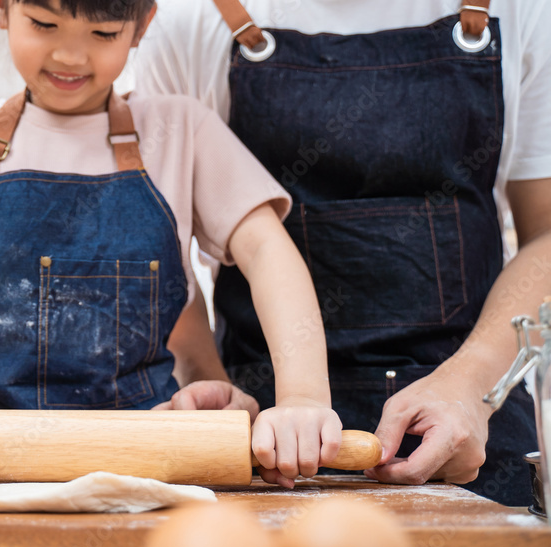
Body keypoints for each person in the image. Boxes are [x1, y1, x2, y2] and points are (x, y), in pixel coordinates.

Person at [0, 0, 344, 488]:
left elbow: (267, 251)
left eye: (104, 33)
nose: (71, 56)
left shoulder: (181, 129)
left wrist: (303, 398)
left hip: (154, 456)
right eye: (44, 24)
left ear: (141, 27)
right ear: (2, 9)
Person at [134, 0, 551, 505]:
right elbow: (163, 250)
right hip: (268, 442)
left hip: (472, 430)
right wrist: (212, 390)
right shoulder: (187, 22)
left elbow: (545, 234)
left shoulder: (525, 9)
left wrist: (471, 386)